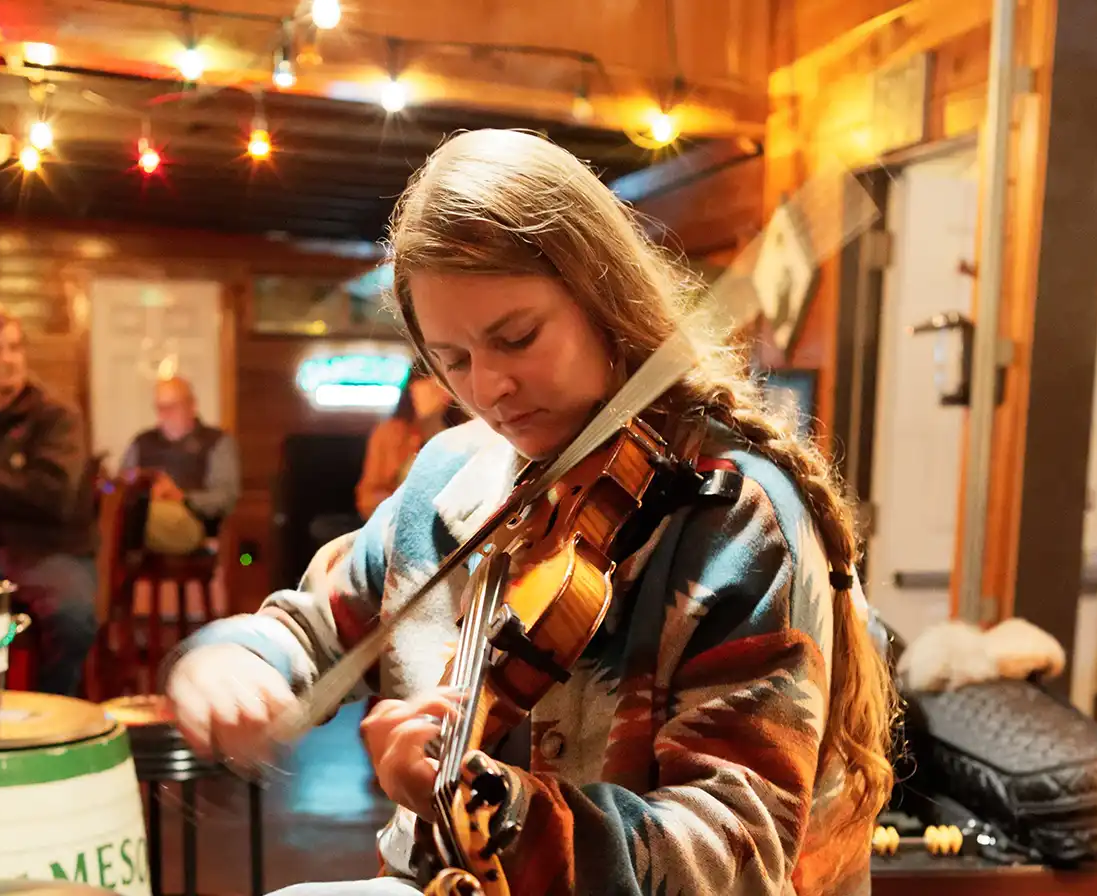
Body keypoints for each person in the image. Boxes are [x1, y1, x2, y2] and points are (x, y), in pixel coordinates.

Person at [164, 130, 897, 895]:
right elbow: (318, 619)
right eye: (450, 358)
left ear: (602, 296)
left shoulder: (729, 517)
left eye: (515, 339)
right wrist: (241, 660)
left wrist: (490, 805)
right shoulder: (452, 474)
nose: (488, 390)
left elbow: (732, 853)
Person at [0, 303, 97, 696]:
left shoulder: (55, 415)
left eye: (16, 347)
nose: (10, 359)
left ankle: (51, 715)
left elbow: (52, 493)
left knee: (72, 619)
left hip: (47, 552)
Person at [118, 375, 239, 554]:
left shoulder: (217, 442)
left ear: (192, 405)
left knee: (134, 519)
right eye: (160, 407)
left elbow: (226, 497)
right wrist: (135, 482)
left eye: (172, 407)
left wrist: (180, 496)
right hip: (143, 515)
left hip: (191, 521)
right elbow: (121, 481)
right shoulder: (142, 441)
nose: (165, 414)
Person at [355, 371, 456, 520]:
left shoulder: (469, 431)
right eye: (430, 378)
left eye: (442, 379)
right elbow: (367, 498)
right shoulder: (389, 433)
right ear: (412, 387)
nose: (437, 387)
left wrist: (433, 423)